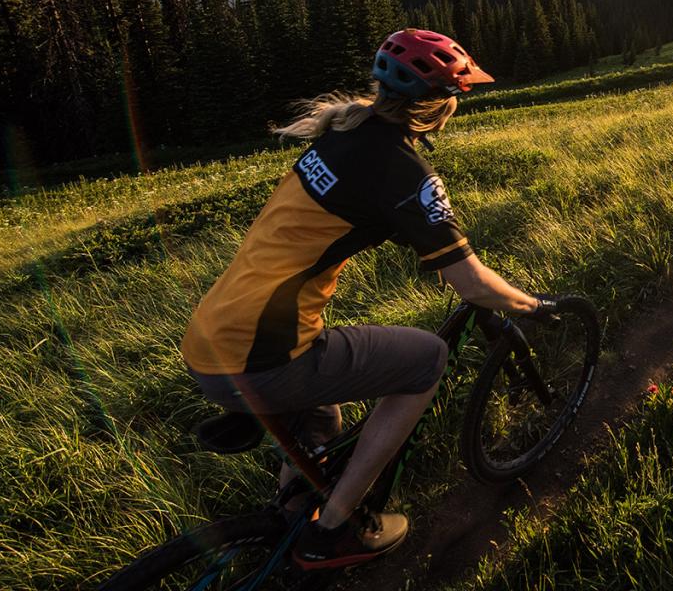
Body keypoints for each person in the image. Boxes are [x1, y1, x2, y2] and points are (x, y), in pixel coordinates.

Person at [180, 29, 545, 570]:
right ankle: (333, 531)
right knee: (427, 359)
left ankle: (292, 514)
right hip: (262, 355)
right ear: (440, 106)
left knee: (323, 419)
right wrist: (530, 306)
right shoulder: (400, 167)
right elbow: (468, 284)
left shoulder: (339, 134)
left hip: (210, 340)